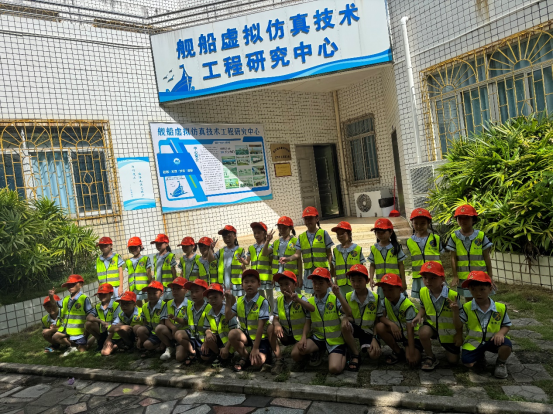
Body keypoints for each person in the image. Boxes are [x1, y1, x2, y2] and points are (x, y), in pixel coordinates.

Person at [294, 267, 349, 374]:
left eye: (321, 283)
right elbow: (308, 322)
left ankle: (344, 352)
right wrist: (303, 337)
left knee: (334, 369)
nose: (317, 286)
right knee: (296, 354)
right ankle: (318, 351)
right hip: (318, 338)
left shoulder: (334, 299)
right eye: (315, 283)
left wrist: (338, 295)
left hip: (334, 340)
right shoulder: (310, 302)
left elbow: (348, 312)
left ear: (328, 284)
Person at [459, 271, 512, 379]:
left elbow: (506, 325)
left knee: (506, 345)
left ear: (490, 289)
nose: (478, 293)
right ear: (469, 290)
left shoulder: (500, 308)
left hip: (493, 340)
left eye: (482, 289)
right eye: (473, 289)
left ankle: (501, 363)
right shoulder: (466, 307)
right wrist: (455, 312)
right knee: (468, 363)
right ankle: (479, 357)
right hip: (474, 341)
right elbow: (459, 324)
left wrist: (500, 333)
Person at [411, 262, 462, 371]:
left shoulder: (453, 296)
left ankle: (449, 348)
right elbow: (423, 306)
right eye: (425, 278)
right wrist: (419, 315)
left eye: (433, 278)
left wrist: (459, 334)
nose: (428, 281)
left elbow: (461, 319)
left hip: (448, 331)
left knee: (453, 361)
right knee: (423, 332)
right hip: (432, 326)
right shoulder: (423, 291)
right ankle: (430, 356)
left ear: (442, 279)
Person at [268, 270, 315, 375]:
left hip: (301, 336)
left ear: (295, 285)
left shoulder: (301, 298)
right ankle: (279, 360)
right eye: (281, 285)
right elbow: (275, 317)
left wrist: (298, 300)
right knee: (270, 328)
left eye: (287, 284)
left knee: (295, 355)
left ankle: (307, 356)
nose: (284, 287)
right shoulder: (279, 300)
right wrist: (277, 324)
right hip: (286, 335)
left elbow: (311, 309)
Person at [226, 269, 272, 372]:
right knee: (232, 334)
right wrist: (228, 300)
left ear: (259, 284)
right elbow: (228, 316)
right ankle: (246, 356)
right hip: (246, 336)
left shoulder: (263, 302)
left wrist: (255, 348)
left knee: (257, 363)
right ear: (242, 285)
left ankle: (265, 353)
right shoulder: (239, 301)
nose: (249, 284)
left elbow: (261, 327)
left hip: (260, 338)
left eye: (252, 281)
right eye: (246, 282)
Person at [446, 205, 494, 300]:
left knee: (482, 298)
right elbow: (453, 258)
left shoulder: (480, 236)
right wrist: (455, 276)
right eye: (460, 218)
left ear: (473, 220)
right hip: (464, 277)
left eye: (467, 218)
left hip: (480, 275)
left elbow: (486, 257)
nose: (463, 221)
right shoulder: (454, 237)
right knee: (468, 299)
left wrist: (490, 276)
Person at [281, 207, 334, 295]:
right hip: (309, 270)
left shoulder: (323, 233)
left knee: (324, 292)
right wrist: (288, 259)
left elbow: (329, 253)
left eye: (310, 218)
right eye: (306, 219)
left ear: (317, 219)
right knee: (314, 293)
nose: (308, 221)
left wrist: (331, 267)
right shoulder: (301, 237)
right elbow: (297, 254)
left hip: (322, 269)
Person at [341, 264, 382, 371]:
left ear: (367, 281)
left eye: (360, 280)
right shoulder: (348, 296)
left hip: (368, 331)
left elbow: (377, 321)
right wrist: (345, 318)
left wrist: (374, 338)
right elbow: (348, 316)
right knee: (344, 325)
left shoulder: (376, 298)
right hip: (355, 328)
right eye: (353, 281)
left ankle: (366, 345)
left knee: (374, 355)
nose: (356, 284)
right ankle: (355, 353)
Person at [375, 273, 422, 367]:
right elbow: (381, 317)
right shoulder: (385, 301)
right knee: (379, 326)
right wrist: (391, 324)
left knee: (412, 361)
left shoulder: (407, 306)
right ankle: (398, 352)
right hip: (399, 332)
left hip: (413, 335)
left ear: (400, 290)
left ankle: (414, 349)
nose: (387, 293)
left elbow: (410, 331)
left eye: (390, 290)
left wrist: (412, 353)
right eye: (384, 290)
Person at [49, 274, 94, 356]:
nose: (70, 287)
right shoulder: (66, 299)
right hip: (66, 328)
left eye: (73, 284)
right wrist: (51, 297)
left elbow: (90, 313)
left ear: (80, 285)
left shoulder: (84, 298)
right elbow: (55, 304)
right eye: (68, 285)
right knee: (55, 337)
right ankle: (73, 345)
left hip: (79, 330)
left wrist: (87, 330)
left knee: (83, 350)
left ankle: (92, 338)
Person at [406, 208, 444, 299]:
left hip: (435, 275)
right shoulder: (409, 242)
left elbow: (441, 253)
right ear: (412, 223)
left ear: (428, 223)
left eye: (422, 223)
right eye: (416, 223)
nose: (419, 226)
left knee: (438, 297)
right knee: (423, 299)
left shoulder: (436, 238)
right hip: (420, 276)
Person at [367, 218, 407, 298]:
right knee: (382, 302)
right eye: (378, 232)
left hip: (395, 282)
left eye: (383, 232)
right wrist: (371, 278)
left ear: (391, 232)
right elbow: (372, 265)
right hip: (381, 283)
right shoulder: (374, 249)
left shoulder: (396, 247)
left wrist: (403, 281)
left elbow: (401, 265)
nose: (380, 235)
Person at [261, 216, 300, 296]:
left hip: (292, 275)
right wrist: (267, 241)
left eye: (284, 228)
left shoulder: (296, 241)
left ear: (290, 228)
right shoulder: (276, 243)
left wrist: (300, 277)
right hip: (280, 276)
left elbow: (299, 259)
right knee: (284, 295)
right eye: (280, 228)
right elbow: (264, 253)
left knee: (295, 295)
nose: (282, 230)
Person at [202, 283, 238, 367]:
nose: (213, 301)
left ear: (222, 297)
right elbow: (207, 328)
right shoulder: (208, 312)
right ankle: (218, 354)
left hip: (228, 342)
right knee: (204, 355)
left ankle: (227, 354)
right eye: (210, 298)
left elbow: (233, 330)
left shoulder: (227, 312)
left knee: (224, 353)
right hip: (217, 340)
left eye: (215, 297)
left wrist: (226, 348)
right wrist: (208, 333)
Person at [177, 279, 211, 365]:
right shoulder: (190, 307)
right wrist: (175, 318)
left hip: (204, 339)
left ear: (204, 292)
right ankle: (193, 352)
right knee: (178, 334)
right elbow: (185, 321)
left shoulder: (209, 307)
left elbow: (212, 329)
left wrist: (206, 342)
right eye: (192, 292)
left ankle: (202, 351)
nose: (193, 294)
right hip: (192, 336)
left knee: (205, 358)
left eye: (197, 291)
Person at [207, 225, 246, 297]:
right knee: (227, 299)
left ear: (235, 236)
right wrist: (210, 249)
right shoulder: (221, 251)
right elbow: (210, 259)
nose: (227, 239)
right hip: (224, 283)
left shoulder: (239, 250)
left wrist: (244, 280)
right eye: (225, 237)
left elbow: (243, 266)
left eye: (229, 236)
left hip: (236, 283)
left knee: (240, 299)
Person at [156, 277, 189, 361]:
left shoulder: (190, 304)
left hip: (183, 333)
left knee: (179, 357)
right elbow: (166, 319)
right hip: (171, 332)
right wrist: (173, 327)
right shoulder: (168, 303)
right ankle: (170, 346)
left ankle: (183, 347)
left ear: (186, 290)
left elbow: (187, 322)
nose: (175, 291)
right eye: (173, 289)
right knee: (159, 328)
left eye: (178, 289)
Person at [331, 221, 366, 297]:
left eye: (342, 233)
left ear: (349, 234)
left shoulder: (357, 249)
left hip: (354, 284)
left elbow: (362, 268)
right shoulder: (336, 251)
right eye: (338, 234)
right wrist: (335, 283)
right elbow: (335, 270)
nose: (340, 236)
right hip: (341, 285)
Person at [243, 222, 273, 307]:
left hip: (267, 277)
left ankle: (271, 313)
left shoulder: (269, 247)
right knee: (260, 297)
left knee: (270, 297)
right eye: (255, 233)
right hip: (256, 278)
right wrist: (242, 261)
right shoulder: (251, 248)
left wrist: (273, 276)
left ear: (264, 233)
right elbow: (247, 262)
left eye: (259, 233)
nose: (256, 235)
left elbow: (272, 263)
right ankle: (263, 312)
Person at [85, 283, 120, 355]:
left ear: (111, 294)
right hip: (104, 331)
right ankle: (101, 341)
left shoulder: (116, 305)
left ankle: (116, 344)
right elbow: (88, 317)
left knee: (105, 352)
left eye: (104, 294)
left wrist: (109, 338)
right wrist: (100, 321)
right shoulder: (98, 306)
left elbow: (117, 324)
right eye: (100, 294)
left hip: (114, 332)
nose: (102, 296)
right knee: (88, 324)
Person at [135, 280, 166, 357]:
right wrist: (140, 338)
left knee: (146, 344)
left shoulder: (164, 305)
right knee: (139, 329)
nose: (151, 296)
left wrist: (163, 341)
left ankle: (160, 345)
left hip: (161, 333)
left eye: (154, 293)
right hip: (152, 331)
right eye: (149, 293)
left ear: (161, 294)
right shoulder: (145, 306)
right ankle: (152, 347)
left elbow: (164, 324)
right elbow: (145, 322)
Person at [126, 237, 152, 308]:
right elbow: (129, 276)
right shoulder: (128, 262)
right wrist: (128, 288)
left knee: (148, 305)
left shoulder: (145, 259)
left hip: (144, 288)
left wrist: (150, 285)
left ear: (140, 247)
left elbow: (149, 273)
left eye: (135, 247)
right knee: (138, 306)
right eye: (131, 247)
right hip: (134, 288)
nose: (133, 249)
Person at [151, 234, 177, 301]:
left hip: (168, 287)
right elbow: (155, 271)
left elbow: (173, 271)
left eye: (160, 243)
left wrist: (175, 284)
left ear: (166, 244)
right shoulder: (155, 257)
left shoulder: (170, 256)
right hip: (158, 286)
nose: (158, 245)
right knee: (160, 303)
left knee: (169, 302)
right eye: (156, 244)